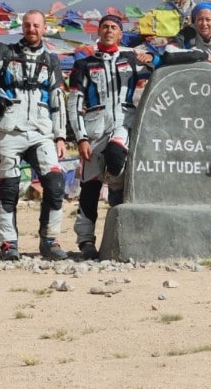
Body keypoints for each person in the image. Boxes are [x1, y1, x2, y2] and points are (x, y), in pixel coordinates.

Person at [0, 9, 69, 260]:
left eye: (37, 25)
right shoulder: (4, 52)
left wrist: (60, 136)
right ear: (22, 27)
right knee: (9, 188)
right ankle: (8, 244)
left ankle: (50, 241)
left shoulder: (52, 61)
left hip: (42, 132)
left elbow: (57, 100)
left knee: (55, 184)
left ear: (44, 28)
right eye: (28, 25)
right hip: (9, 131)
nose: (32, 29)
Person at [67, 14, 153, 260]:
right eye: (104, 26)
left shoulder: (131, 60)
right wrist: (80, 138)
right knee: (90, 186)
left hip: (124, 123)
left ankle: (121, 224)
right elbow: (74, 105)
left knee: (117, 159)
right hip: (93, 129)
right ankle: (85, 241)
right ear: (98, 32)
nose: (108, 30)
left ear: (121, 33)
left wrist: (151, 59)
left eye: (114, 27)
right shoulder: (83, 65)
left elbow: (158, 69)